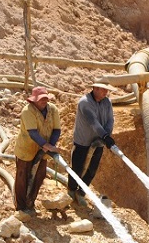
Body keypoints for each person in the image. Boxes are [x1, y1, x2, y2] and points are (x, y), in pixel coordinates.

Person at [13, 87, 61, 215]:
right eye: (41, 99)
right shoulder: (27, 111)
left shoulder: (53, 110)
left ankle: (31, 202)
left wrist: (50, 145)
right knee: (23, 176)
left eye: (45, 99)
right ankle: (21, 207)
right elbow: (32, 132)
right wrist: (46, 145)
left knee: (40, 175)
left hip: (44, 148)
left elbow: (57, 129)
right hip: (27, 148)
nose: (44, 101)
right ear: (34, 100)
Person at [68, 82, 117, 206]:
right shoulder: (85, 102)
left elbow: (110, 119)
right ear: (95, 88)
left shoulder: (107, 102)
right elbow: (93, 122)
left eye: (107, 90)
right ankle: (71, 191)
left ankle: (81, 193)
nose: (106, 93)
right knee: (77, 168)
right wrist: (105, 136)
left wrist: (107, 135)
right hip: (83, 141)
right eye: (103, 90)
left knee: (92, 170)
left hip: (99, 141)